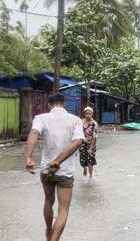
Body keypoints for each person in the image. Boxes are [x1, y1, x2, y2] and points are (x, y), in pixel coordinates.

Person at [25, 93, 85, 241]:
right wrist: (58, 161)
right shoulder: (75, 120)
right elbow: (78, 141)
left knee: (48, 201)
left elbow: (34, 133)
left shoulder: (41, 118)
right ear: (64, 104)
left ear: (49, 105)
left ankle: (48, 230)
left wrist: (28, 158)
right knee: (63, 210)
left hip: (46, 169)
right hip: (65, 171)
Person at [80, 107, 98, 180]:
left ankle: (90, 176)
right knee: (83, 159)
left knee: (90, 159)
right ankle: (84, 168)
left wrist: (90, 148)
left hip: (91, 144)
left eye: (89, 113)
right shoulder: (81, 122)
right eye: (86, 113)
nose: (88, 115)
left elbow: (94, 137)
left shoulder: (94, 124)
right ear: (84, 114)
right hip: (82, 143)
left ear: (92, 114)